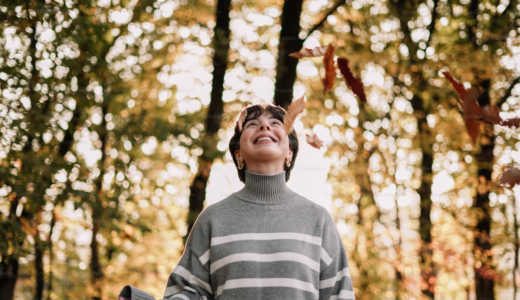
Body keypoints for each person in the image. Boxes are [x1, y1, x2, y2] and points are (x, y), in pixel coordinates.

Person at [119, 103, 355, 300]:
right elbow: (189, 292)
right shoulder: (213, 219)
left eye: (276, 124)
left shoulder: (318, 220)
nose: (264, 125)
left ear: (290, 151)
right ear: (238, 154)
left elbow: (339, 294)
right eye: (252, 124)